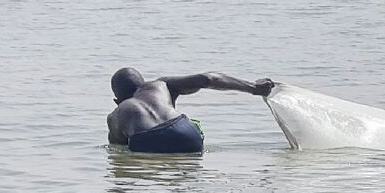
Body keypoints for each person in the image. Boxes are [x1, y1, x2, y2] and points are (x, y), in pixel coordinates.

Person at [107, 67, 274, 153]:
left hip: (150, 143)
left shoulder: (116, 115)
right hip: (186, 133)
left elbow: (119, 152)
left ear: (117, 100)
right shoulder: (161, 85)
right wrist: (253, 88)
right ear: (143, 83)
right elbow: (207, 79)